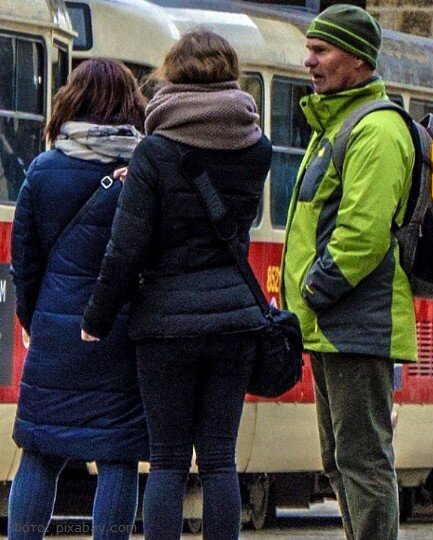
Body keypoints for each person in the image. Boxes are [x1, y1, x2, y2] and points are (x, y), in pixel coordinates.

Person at [81, 30, 272, 540]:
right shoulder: (257, 148)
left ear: (173, 74)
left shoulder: (154, 152)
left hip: (165, 323)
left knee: (166, 460)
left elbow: (126, 249)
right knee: (218, 460)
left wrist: (97, 318)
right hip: (233, 319)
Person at [280, 5, 415, 539]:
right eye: (309, 49)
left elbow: (362, 232)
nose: (308, 61)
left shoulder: (375, 129)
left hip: (356, 322)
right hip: (336, 324)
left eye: (321, 50)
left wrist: (315, 291)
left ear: (357, 60)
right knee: (340, 458)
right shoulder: (337, 122)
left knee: (361, 461)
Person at [9, 59, 148, 540]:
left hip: (55, 333)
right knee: (117, 453)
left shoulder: (44, 170)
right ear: (131, 105)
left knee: (41, 451)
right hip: (120, 333)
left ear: (72, 100)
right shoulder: (143, 172)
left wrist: (35, 319)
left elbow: (23, 261)